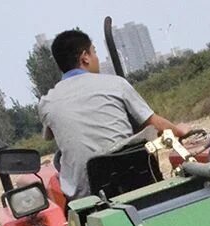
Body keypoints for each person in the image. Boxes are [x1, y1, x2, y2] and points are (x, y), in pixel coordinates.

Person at [39, 29, 191, 200]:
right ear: (85, 57)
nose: (96, 58)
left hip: (87, 198)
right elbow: (153, 123)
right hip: (138, 182)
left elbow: (49, 134)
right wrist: (179, 131)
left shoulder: (47, 102)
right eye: (94, 51)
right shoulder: (115, 84)